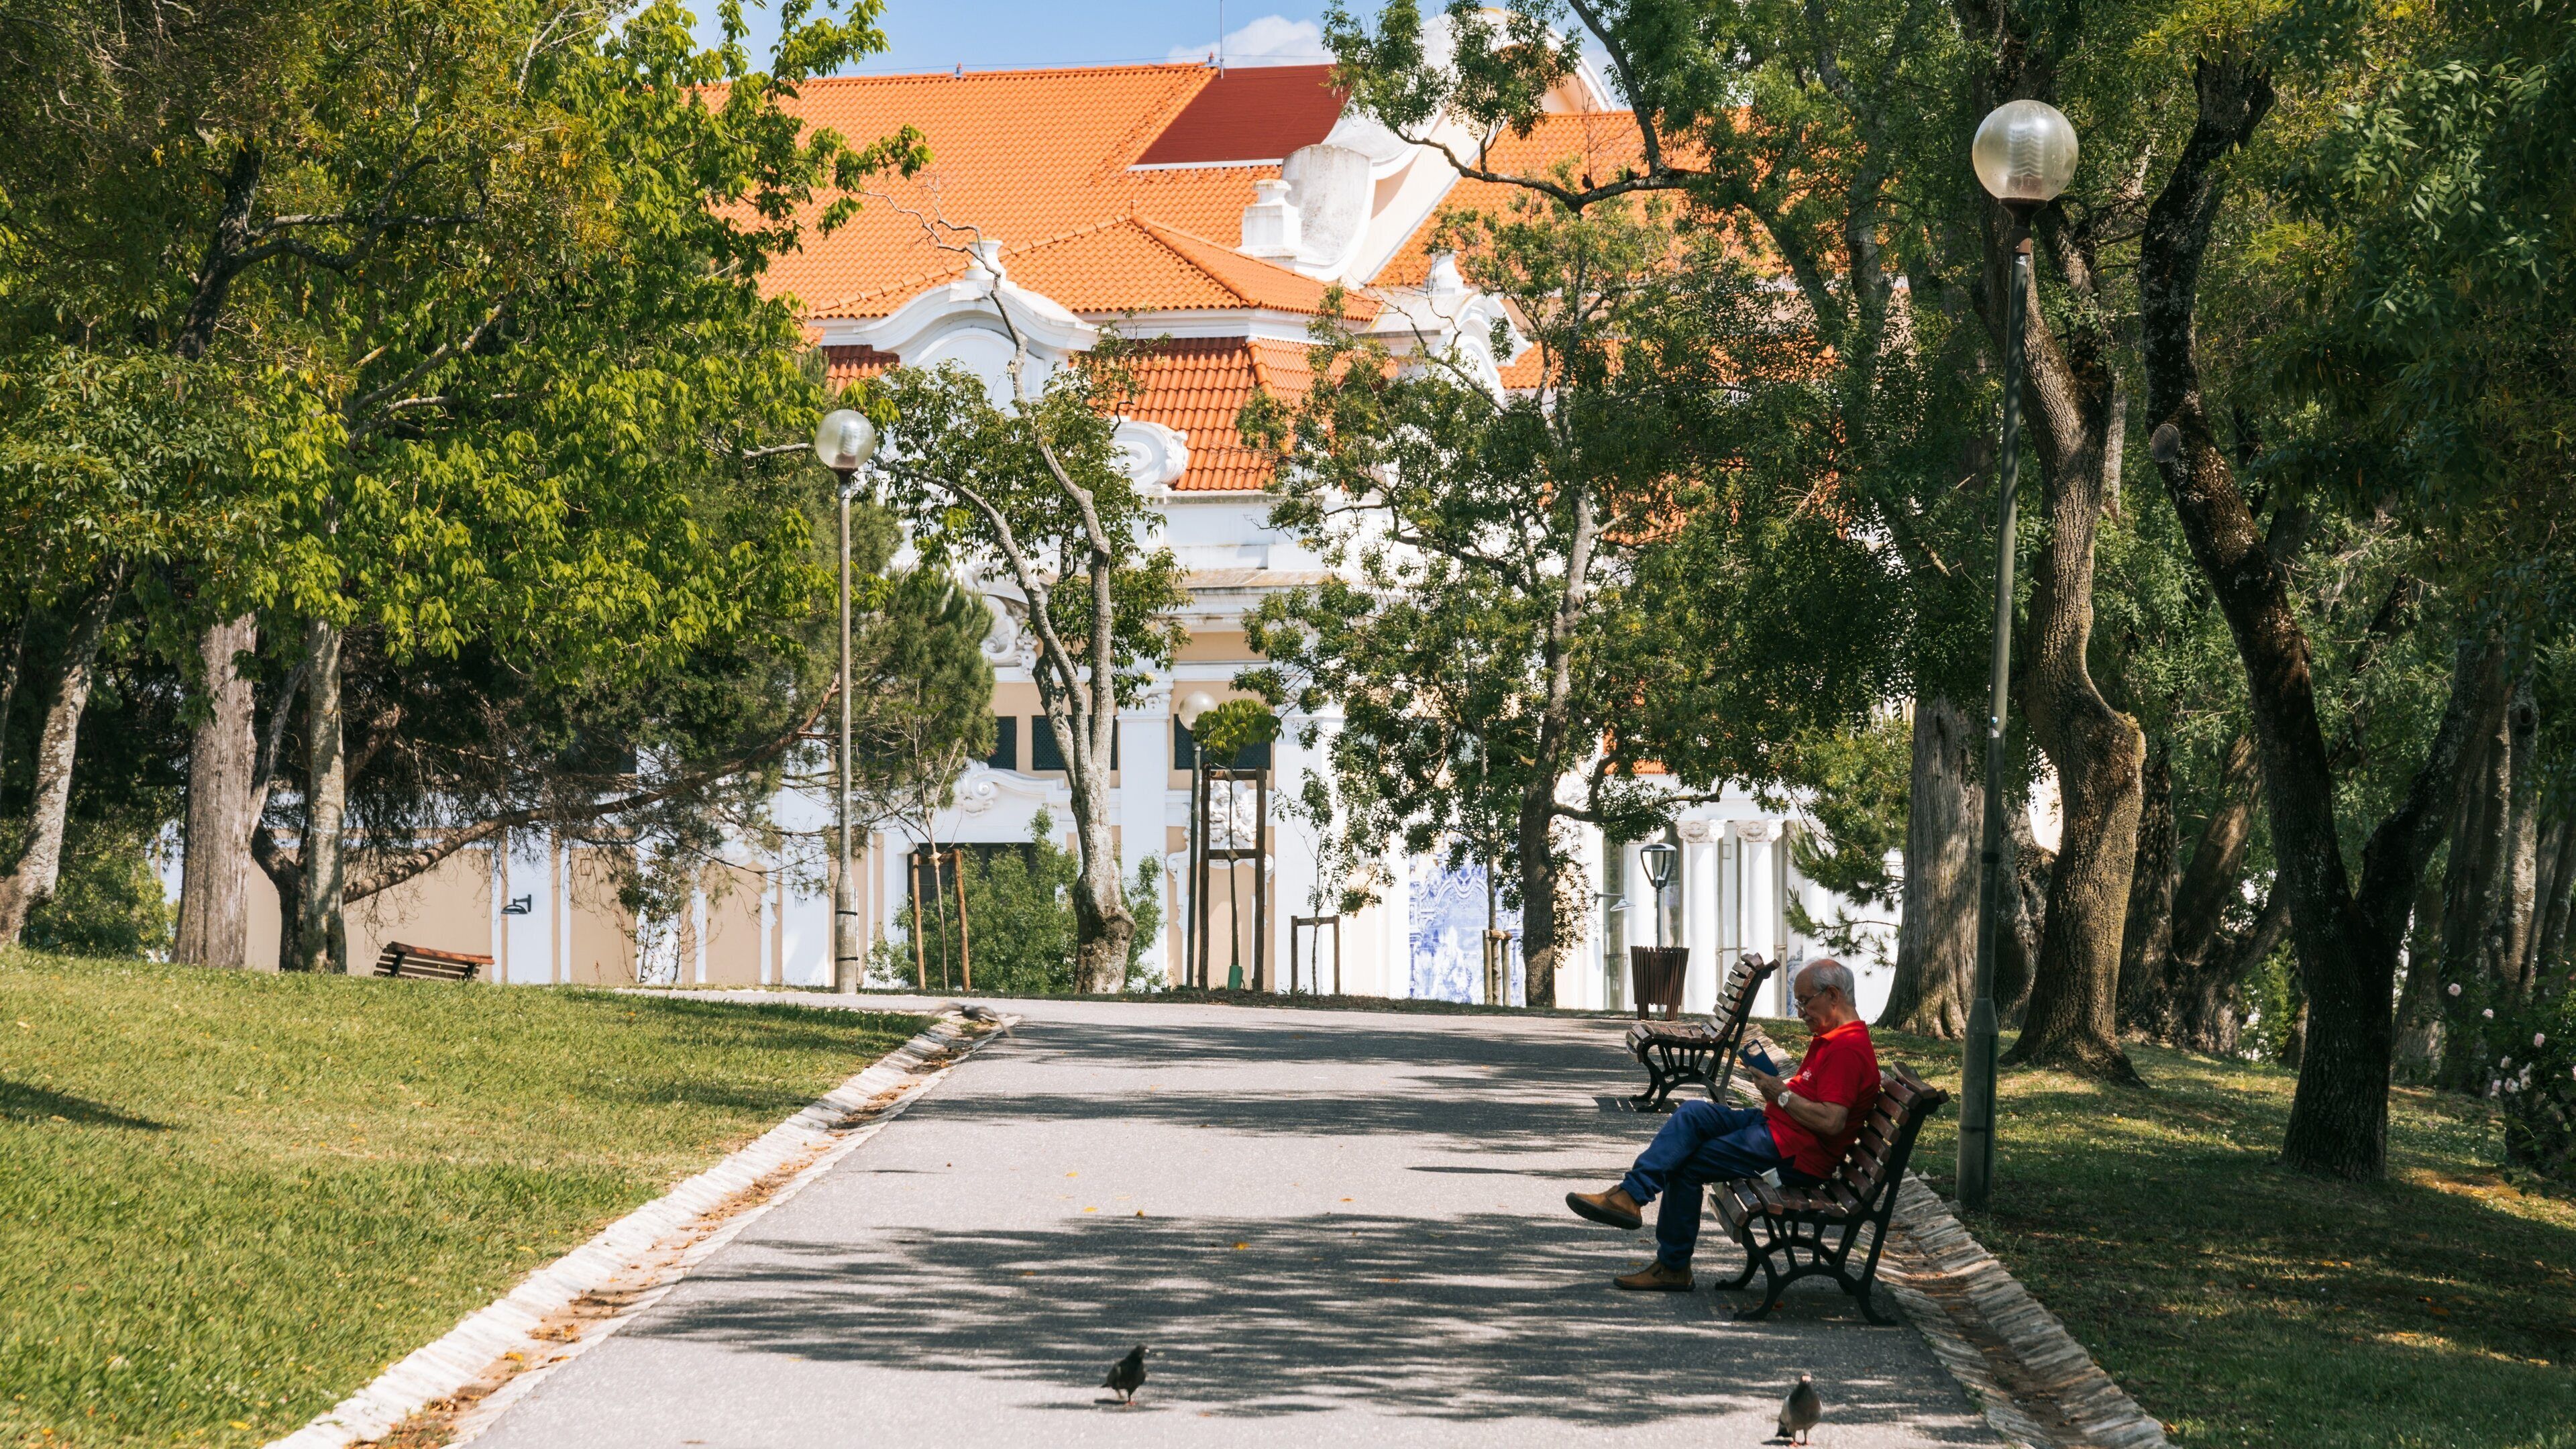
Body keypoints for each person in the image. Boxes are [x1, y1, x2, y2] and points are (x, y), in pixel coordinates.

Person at [1565, 958, 1879, 1290]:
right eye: (1798, 1002)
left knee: (1685, 1164)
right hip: (1776, 1130)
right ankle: (1629, 1195)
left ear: (1832, 994)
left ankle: (1672, 1266)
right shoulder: (1833, 1037)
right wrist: (1777, 1093)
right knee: (1694, 1113)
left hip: (1795, 1153)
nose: (1799, 1011)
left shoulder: (1846, 1048)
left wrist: (1780, 1095)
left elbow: (1831, 1122)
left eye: (1804, 1001)